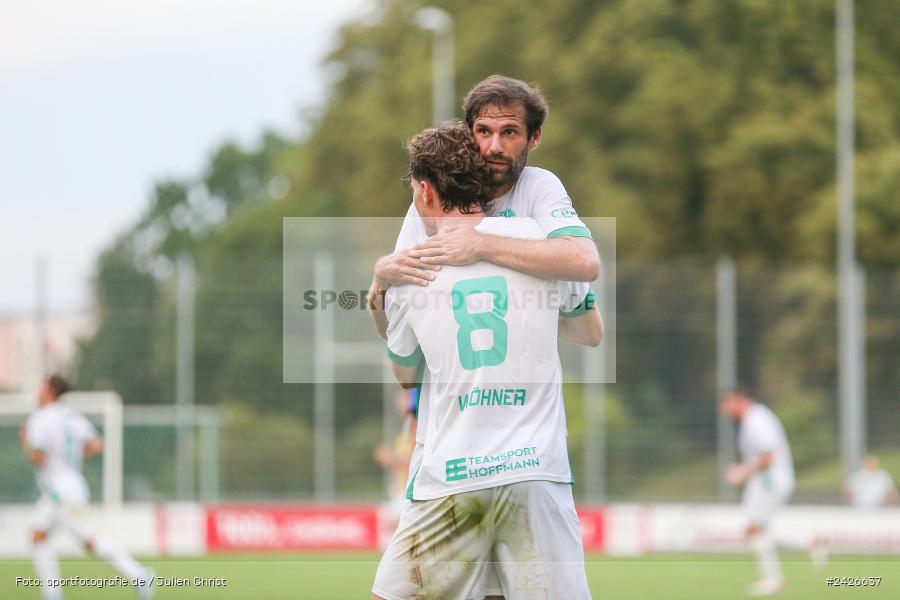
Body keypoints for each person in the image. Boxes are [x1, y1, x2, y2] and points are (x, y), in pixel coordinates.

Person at [371, 122, 602, 600]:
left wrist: (380, 292)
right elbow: (589, 329)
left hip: (451, 476)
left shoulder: (408, 267)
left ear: (425, 190)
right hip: (536, 471)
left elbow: (405, 374)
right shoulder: (542, 243)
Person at [368, 74, 600, 339]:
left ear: (534, 138)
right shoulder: (430, 198)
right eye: (484, 131)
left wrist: (480, 246)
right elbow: (391, 333)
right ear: (470, 132)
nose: (494, 147)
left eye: (509, 132)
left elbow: (586, 273)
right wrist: (380, 282)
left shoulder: (538, 185)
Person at [19, 375, 155, 600]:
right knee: (38, 535)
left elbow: (37, 456)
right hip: (71, 483)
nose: (38, 392)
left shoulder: (40, 419)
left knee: (91, 539)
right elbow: (96, 444)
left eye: (41, 387)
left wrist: (25, 441)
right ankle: (52, 594)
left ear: (50, 390)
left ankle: (139, 575)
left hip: (58, 490)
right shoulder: (72, 416)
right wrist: (70, 456)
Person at [720, 388, 794, 597]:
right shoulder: (753, 420)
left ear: (738, 398)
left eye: (726, 403)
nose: (723, 409)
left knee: (754, 529)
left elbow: (768, 455)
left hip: (769, 482)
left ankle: (774, 577)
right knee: (757, 530)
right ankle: (775, 575)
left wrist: (743, 471)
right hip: (764, 483)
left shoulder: (757, 419)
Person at [373, 388, 419, 548]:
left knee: (392, 532)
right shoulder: (408, 427)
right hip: (402, 490)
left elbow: (416, 463)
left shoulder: (418, 426)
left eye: (403, 397)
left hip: (411, 492)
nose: (398, 401)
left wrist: (391, 458)